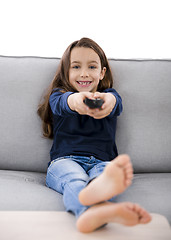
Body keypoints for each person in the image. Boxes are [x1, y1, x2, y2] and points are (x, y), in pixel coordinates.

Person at [37, 37, 151, 233]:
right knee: (75, 179)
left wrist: (104, 102)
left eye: (91, 67)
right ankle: (91, 211)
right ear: (66, 71)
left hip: (102, 162)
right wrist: (78, 101)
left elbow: (113, 102)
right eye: (76, 67)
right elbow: (67, 102)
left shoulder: (110, 94)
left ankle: (95, 207)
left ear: (102, 72)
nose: (84, 74)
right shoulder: (59, 96)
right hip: (65, 161)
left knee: (106, 180)